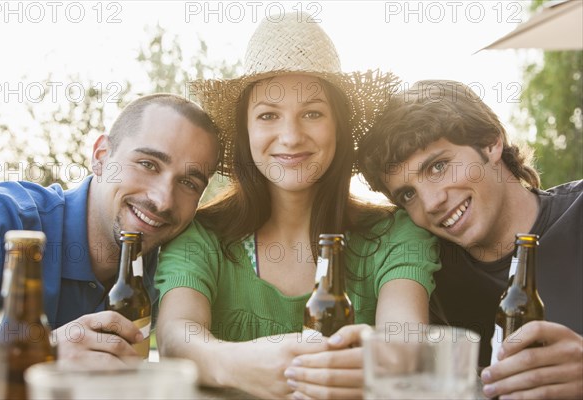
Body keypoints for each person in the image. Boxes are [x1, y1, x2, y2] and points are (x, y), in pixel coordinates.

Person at [155, 13, 441, 400]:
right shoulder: (200, 237)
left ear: (338, 127)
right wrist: (234, 363)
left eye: (312, 113)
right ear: (246, 132)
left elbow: (405, 341)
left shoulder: (395, 235)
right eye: (268, 115)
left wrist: (379, 360)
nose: (290, 136)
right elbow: (176, 338)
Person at [358, 79, 583, 399]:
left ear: (491, 142)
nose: (432, 202)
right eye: (408, 194)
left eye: (438, 166)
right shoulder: (423, 275)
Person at [0, 93, 220, 361]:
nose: (162, 200)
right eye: (147, 164)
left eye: (189, 184)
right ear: (101, 157)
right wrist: (42, 350)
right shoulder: (3, 218)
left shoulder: (169, 269)